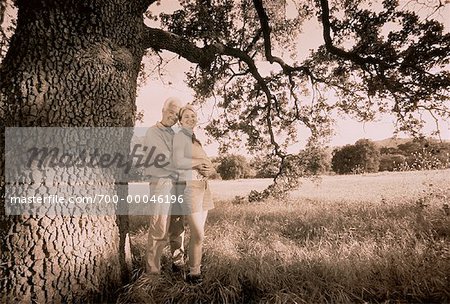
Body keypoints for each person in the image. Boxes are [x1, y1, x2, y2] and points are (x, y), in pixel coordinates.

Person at [172, 104, 216, 284]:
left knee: (199, 234)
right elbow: (177, 161)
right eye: (187, 116)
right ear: (180, 121)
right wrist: (198, 163)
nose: (191, 118)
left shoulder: (195, 140)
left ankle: (194, 273)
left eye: (193, 116)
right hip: (189, 187)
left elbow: (206, 164)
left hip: (203, 187)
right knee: (198, 234)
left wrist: (210, 168)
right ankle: (190, 272)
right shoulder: (180, 136)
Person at [143, 97, 185, 275]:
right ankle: (153, 274)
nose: (174, 117)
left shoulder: (176, 134)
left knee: (178, 228)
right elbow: (165, 160)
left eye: (177, 115)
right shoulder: (153, 132)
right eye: (171, 112)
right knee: (159, 228)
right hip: (162, 183)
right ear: (163, 110)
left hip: (178, 183)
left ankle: (178, 266)